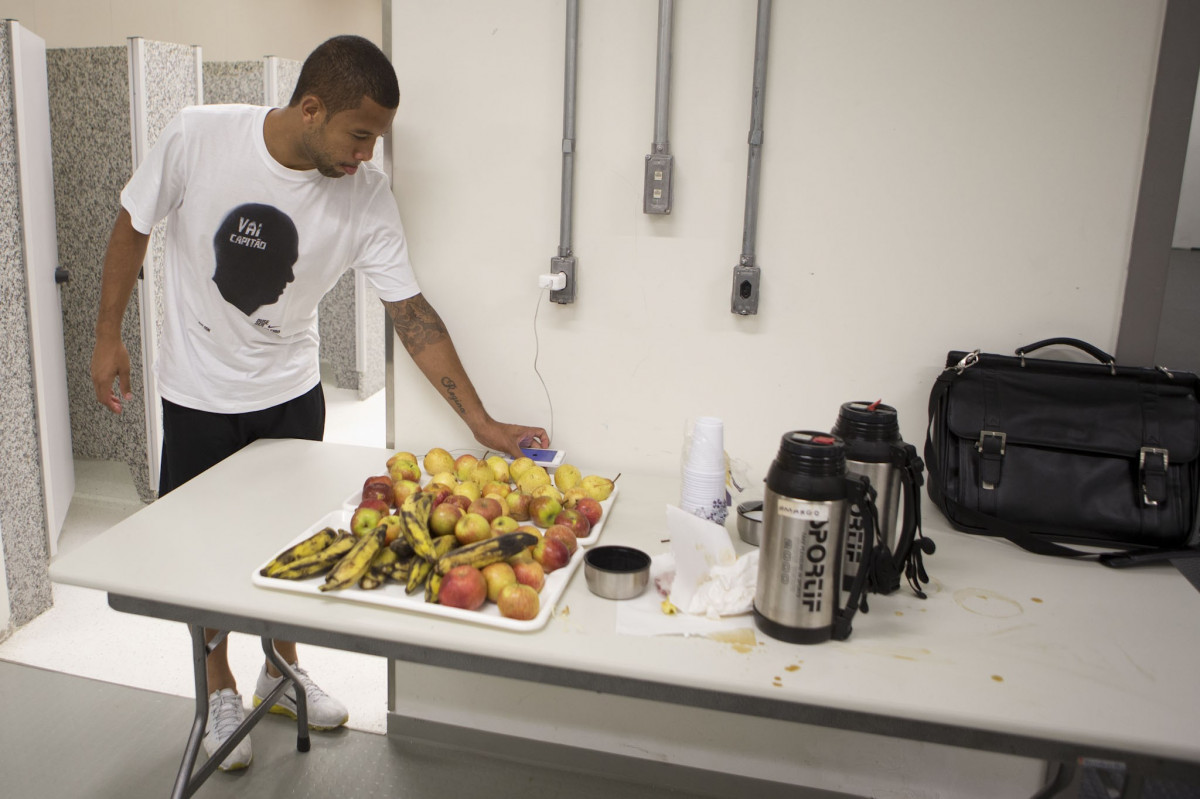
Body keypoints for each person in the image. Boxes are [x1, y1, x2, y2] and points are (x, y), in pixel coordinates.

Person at [89, 34, 548, 772]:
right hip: (199, 393)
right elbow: (133, 225)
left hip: (290, 395)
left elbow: (410, 312)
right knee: (203, 558)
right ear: (311, 108)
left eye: (376, 139)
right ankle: (219, 692)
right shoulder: (199, 136)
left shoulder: (364, 194)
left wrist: (481, 422)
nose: (367, 154)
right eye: (359, 134)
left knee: (291, 546)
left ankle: (281, 665)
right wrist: (108, 334)